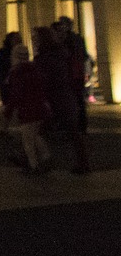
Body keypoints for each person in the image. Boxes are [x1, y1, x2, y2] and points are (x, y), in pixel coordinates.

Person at [41, 20, 93, 174]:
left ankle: (42, 159)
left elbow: (58, 74)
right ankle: (39, 158)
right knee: (47, 129)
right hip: (64, 93)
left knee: (44, 129)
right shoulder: (62, 50)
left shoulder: (59, 52)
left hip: (61, 94)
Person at [5, 32, 52, 174]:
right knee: (35, 135)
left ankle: (33, 165)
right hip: (39, 108)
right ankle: (46, 155)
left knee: (27, 141)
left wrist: (9, 111)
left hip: (27, 110)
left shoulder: (16, 73)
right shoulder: (34, 70)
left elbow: (16, 94)